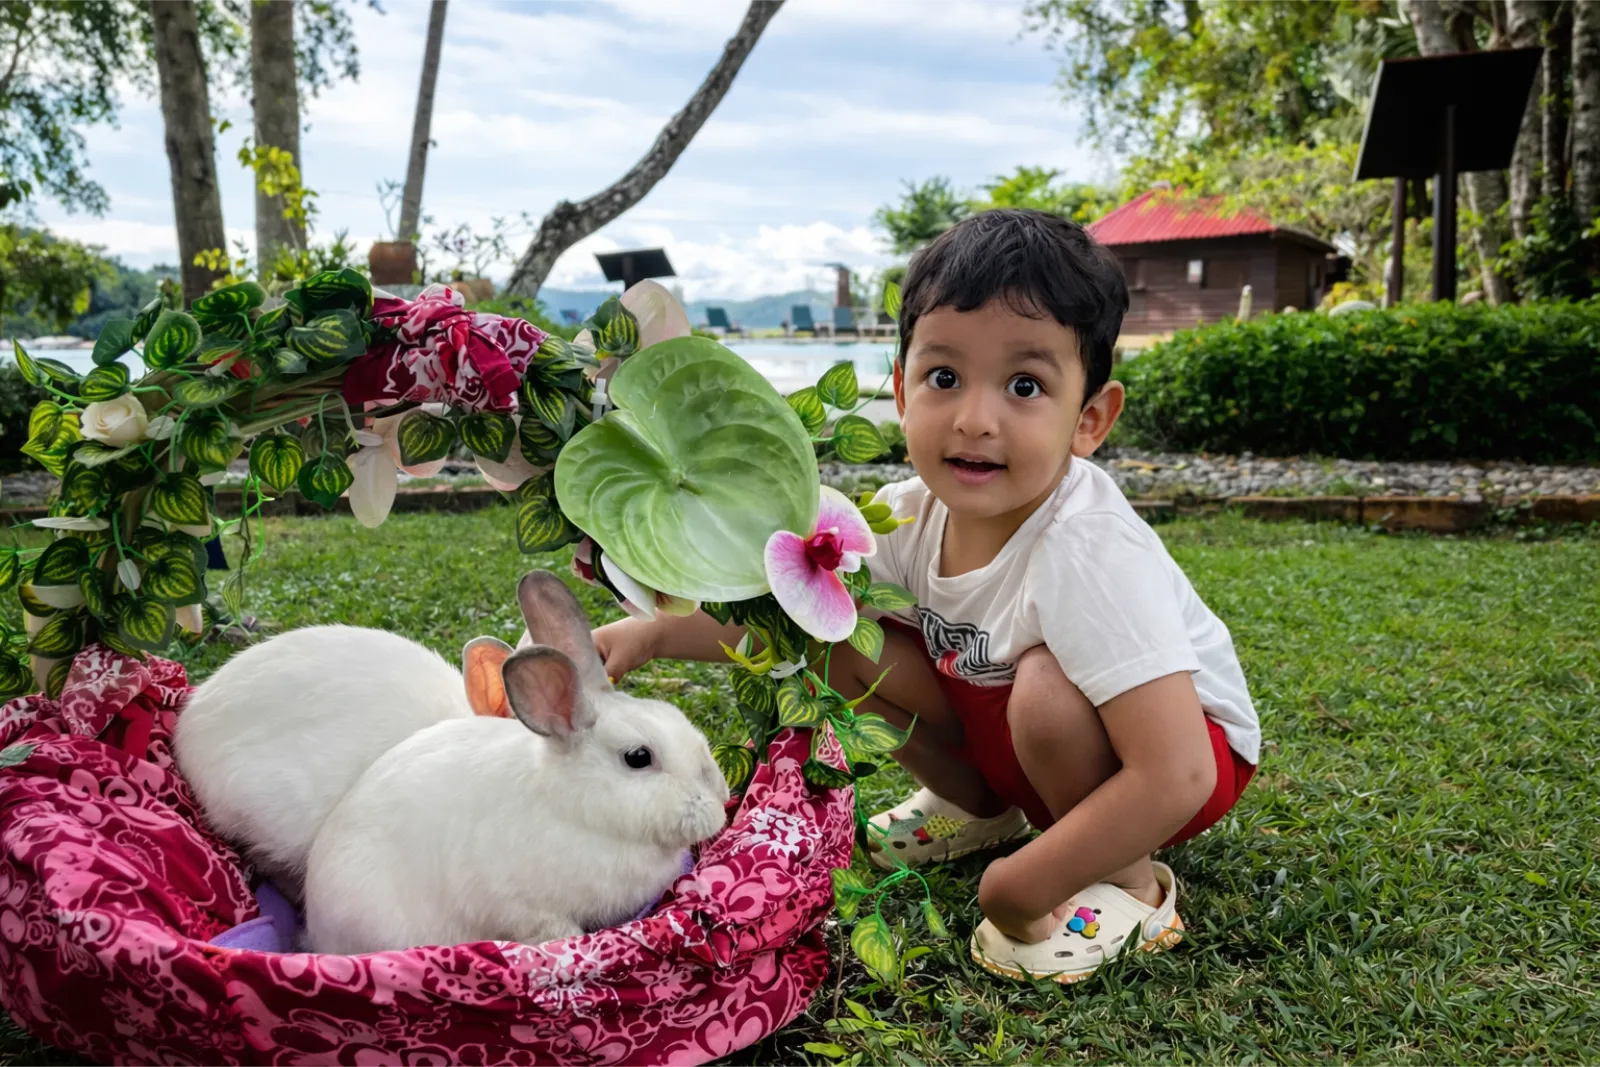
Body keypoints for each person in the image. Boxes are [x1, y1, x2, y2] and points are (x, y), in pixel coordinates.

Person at [592, 209, 1260, 984]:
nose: (975, 419)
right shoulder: (907, 512)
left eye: (1024, 385)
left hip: (1180, 756)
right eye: (944, 377)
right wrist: (651, 635)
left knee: (1043, 693)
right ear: (902, 394)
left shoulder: (1087, 546)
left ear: (1089, 420)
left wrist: (1018, 886)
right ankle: (982, 810)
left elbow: (1178, 773)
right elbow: (793, 609)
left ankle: (1131, 881)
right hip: (1011, 726)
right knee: (836, 636)